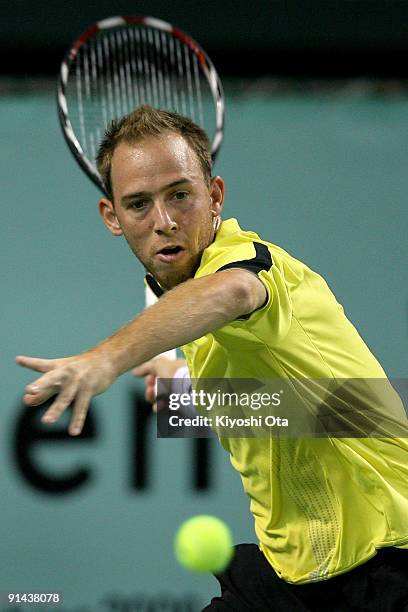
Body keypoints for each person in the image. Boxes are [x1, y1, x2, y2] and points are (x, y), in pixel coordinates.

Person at [16, 105, 408, 611]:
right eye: (139, 204)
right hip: (294, 576)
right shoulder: (184, 301)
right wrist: (185, 384)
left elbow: (233, 294)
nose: (164, 221)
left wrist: (105, 359)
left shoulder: (252, 268)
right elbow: (316, 409)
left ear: (215, 195)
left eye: (180, 194)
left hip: (388, 562)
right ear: (112, 217)